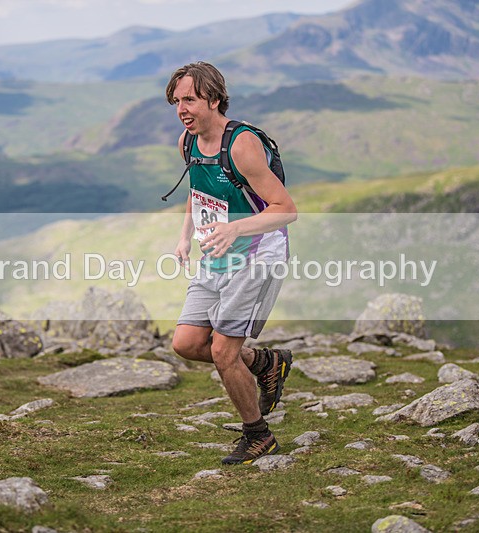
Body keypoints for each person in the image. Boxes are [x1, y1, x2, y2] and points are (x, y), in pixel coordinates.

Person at [165, 62, 297, 465]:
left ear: (215, 99)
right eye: (176, 101)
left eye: (190, 99)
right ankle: (264, 362)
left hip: (258, 255)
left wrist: (236, 230)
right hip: (216, 253)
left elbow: (286, 210)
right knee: (186, 344)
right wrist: (185, 237)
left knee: (223, 350)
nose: (181, 109)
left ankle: (258, 436)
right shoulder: (189, 141)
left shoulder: (240, 145)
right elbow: (197, 189)